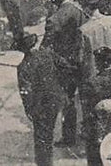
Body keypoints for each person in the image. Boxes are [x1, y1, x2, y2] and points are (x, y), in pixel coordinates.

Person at [42, 0, 86, 144]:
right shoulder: (79, 11)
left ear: (55, 1)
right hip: (80, 61)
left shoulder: (54, 19)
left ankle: (68, 137)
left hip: (63, 65)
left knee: (66, 101)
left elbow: (45, 47)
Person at [16, 33, 66, 166]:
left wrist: (28, 109)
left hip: (39, 105)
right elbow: (64, 66)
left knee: (41, 138)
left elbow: (25, 91)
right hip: (55, 100)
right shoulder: (47, 54)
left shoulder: (23, 66)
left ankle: (44, 163)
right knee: (49, 134)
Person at [81, 47, 111, 166]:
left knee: (95, 159)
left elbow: (87, 108)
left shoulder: (91, 82)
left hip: (95, 127)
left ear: (99, 63)